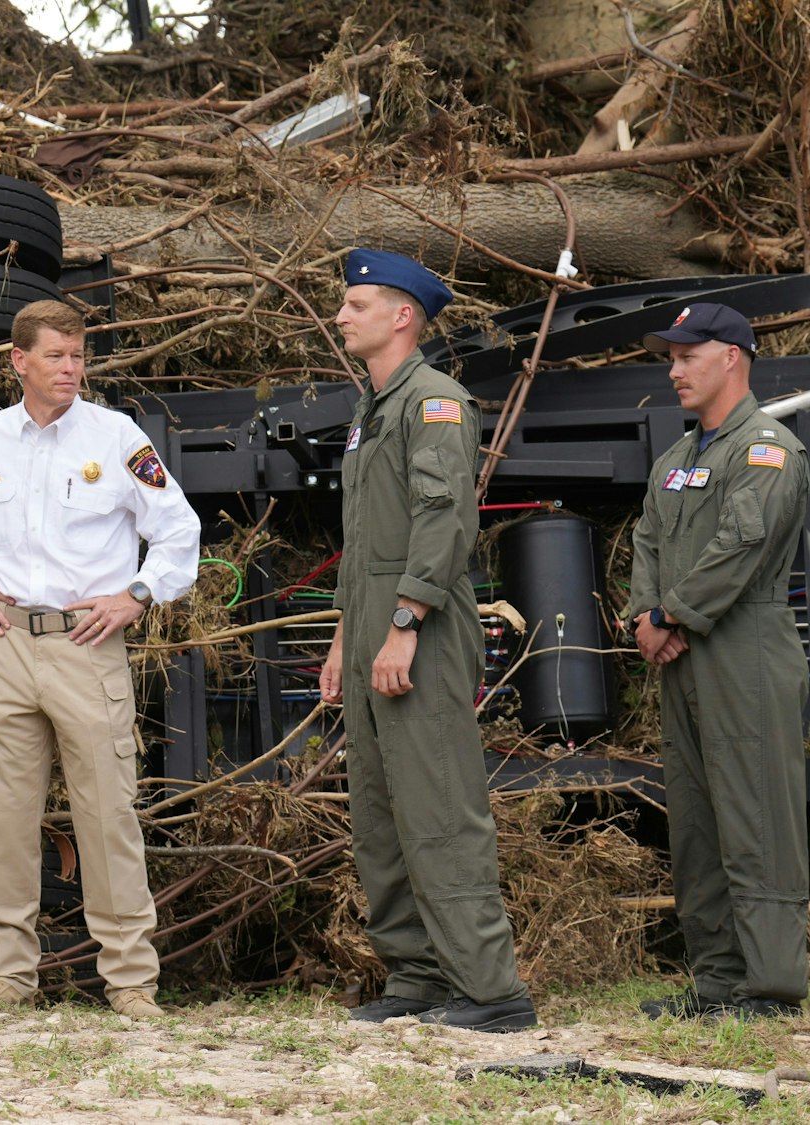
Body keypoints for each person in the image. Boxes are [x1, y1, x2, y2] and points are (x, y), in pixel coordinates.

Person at [0, 299, 199, 1019]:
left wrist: (137, 593)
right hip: (7, 641)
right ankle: (8, 975)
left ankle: (131, 981)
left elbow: (179, 532)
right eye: (56, 356)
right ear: (19, 361)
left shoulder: (117, 436)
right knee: (8, 816)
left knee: (107, 814)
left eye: (78, 356)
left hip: (86, 645)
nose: (71, 369)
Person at [317, 248, 537, 1033]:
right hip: (374, 619)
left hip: (422, 627)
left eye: (358, 303)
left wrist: (404, 624)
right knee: (382, 812)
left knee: (440, 806)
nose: (342, 315)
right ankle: (416, 974)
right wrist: (349, 635)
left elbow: (444, 522)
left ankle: (491, 989)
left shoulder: (434, 403)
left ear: (402, 315)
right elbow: (366, 538)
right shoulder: (370, 410)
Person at [627, 303, 810, 1021]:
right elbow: (646, 541)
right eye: (669, 358)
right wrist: (646, 615)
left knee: (755, 814)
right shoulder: (677, 460)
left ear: (731, 356)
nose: (673, 370)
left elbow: (741, 545)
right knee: (699, 819)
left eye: (686, 356)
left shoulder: (766, 450)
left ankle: (768, 987)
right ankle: (718, 982)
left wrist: (669, 615)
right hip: (684, 655)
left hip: (746, 649)